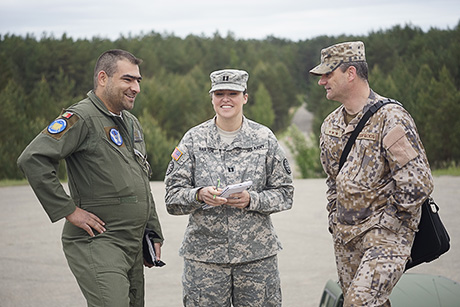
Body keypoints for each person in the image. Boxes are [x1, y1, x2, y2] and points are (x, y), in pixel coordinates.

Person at [17, 49, 164, 307]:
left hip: (132, 242)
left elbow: (140, 179)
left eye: (138, 80)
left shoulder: (131, 123)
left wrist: (152, 232)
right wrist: (68, 210)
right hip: (100, 241)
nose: (136, 88)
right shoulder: (82, 117)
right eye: (127, 79)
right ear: (103, 78)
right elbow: (33, 158)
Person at [309, 41, 434, 306]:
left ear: (350, 73)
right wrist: (334, 216)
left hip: (384, 236)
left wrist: (388, 223)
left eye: (328, 74)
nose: (322, 81)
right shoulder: (330, 125)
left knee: (358, 303)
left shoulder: (391, 118)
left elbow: (418, 182)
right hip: (346, 237)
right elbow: (333, 180)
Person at [164, 69, 294, 306]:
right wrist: (199, 194)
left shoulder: (264, 138)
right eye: (219, 93)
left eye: (232, 93)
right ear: (211, 97)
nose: (226, 99)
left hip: (256, 259)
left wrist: (251, 200)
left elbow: (285, 193)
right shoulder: (193, 140)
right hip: (205, 260)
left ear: (245, 97)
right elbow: (172, 196)